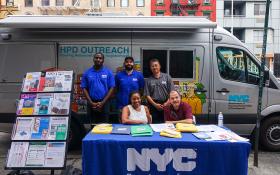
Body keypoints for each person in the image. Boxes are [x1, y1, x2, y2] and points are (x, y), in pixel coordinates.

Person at [81, 52, 115, 124]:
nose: (98, 59)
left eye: (100, 58)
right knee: (92, 125)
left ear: (103, 60)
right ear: (93, 59)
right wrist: (91, 102)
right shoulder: (87, 72)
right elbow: (84, 88)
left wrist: (102, 103)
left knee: (104, 125)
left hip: (105, 102)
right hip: (91, 102)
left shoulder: (108, 72)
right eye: (96, 58)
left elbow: (112, 88)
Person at [144, 58, 174, 123]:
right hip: (154, 106)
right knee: (155, 124)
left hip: (167, 104)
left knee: (167, 123)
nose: (154, 67)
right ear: (150, 68)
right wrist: (155, 105)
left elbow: (172, 92)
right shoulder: (148, 80)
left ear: (159, 66)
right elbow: (147, 95)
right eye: (152, 66)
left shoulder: (167, 77)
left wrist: (167, 103)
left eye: (156, 65)